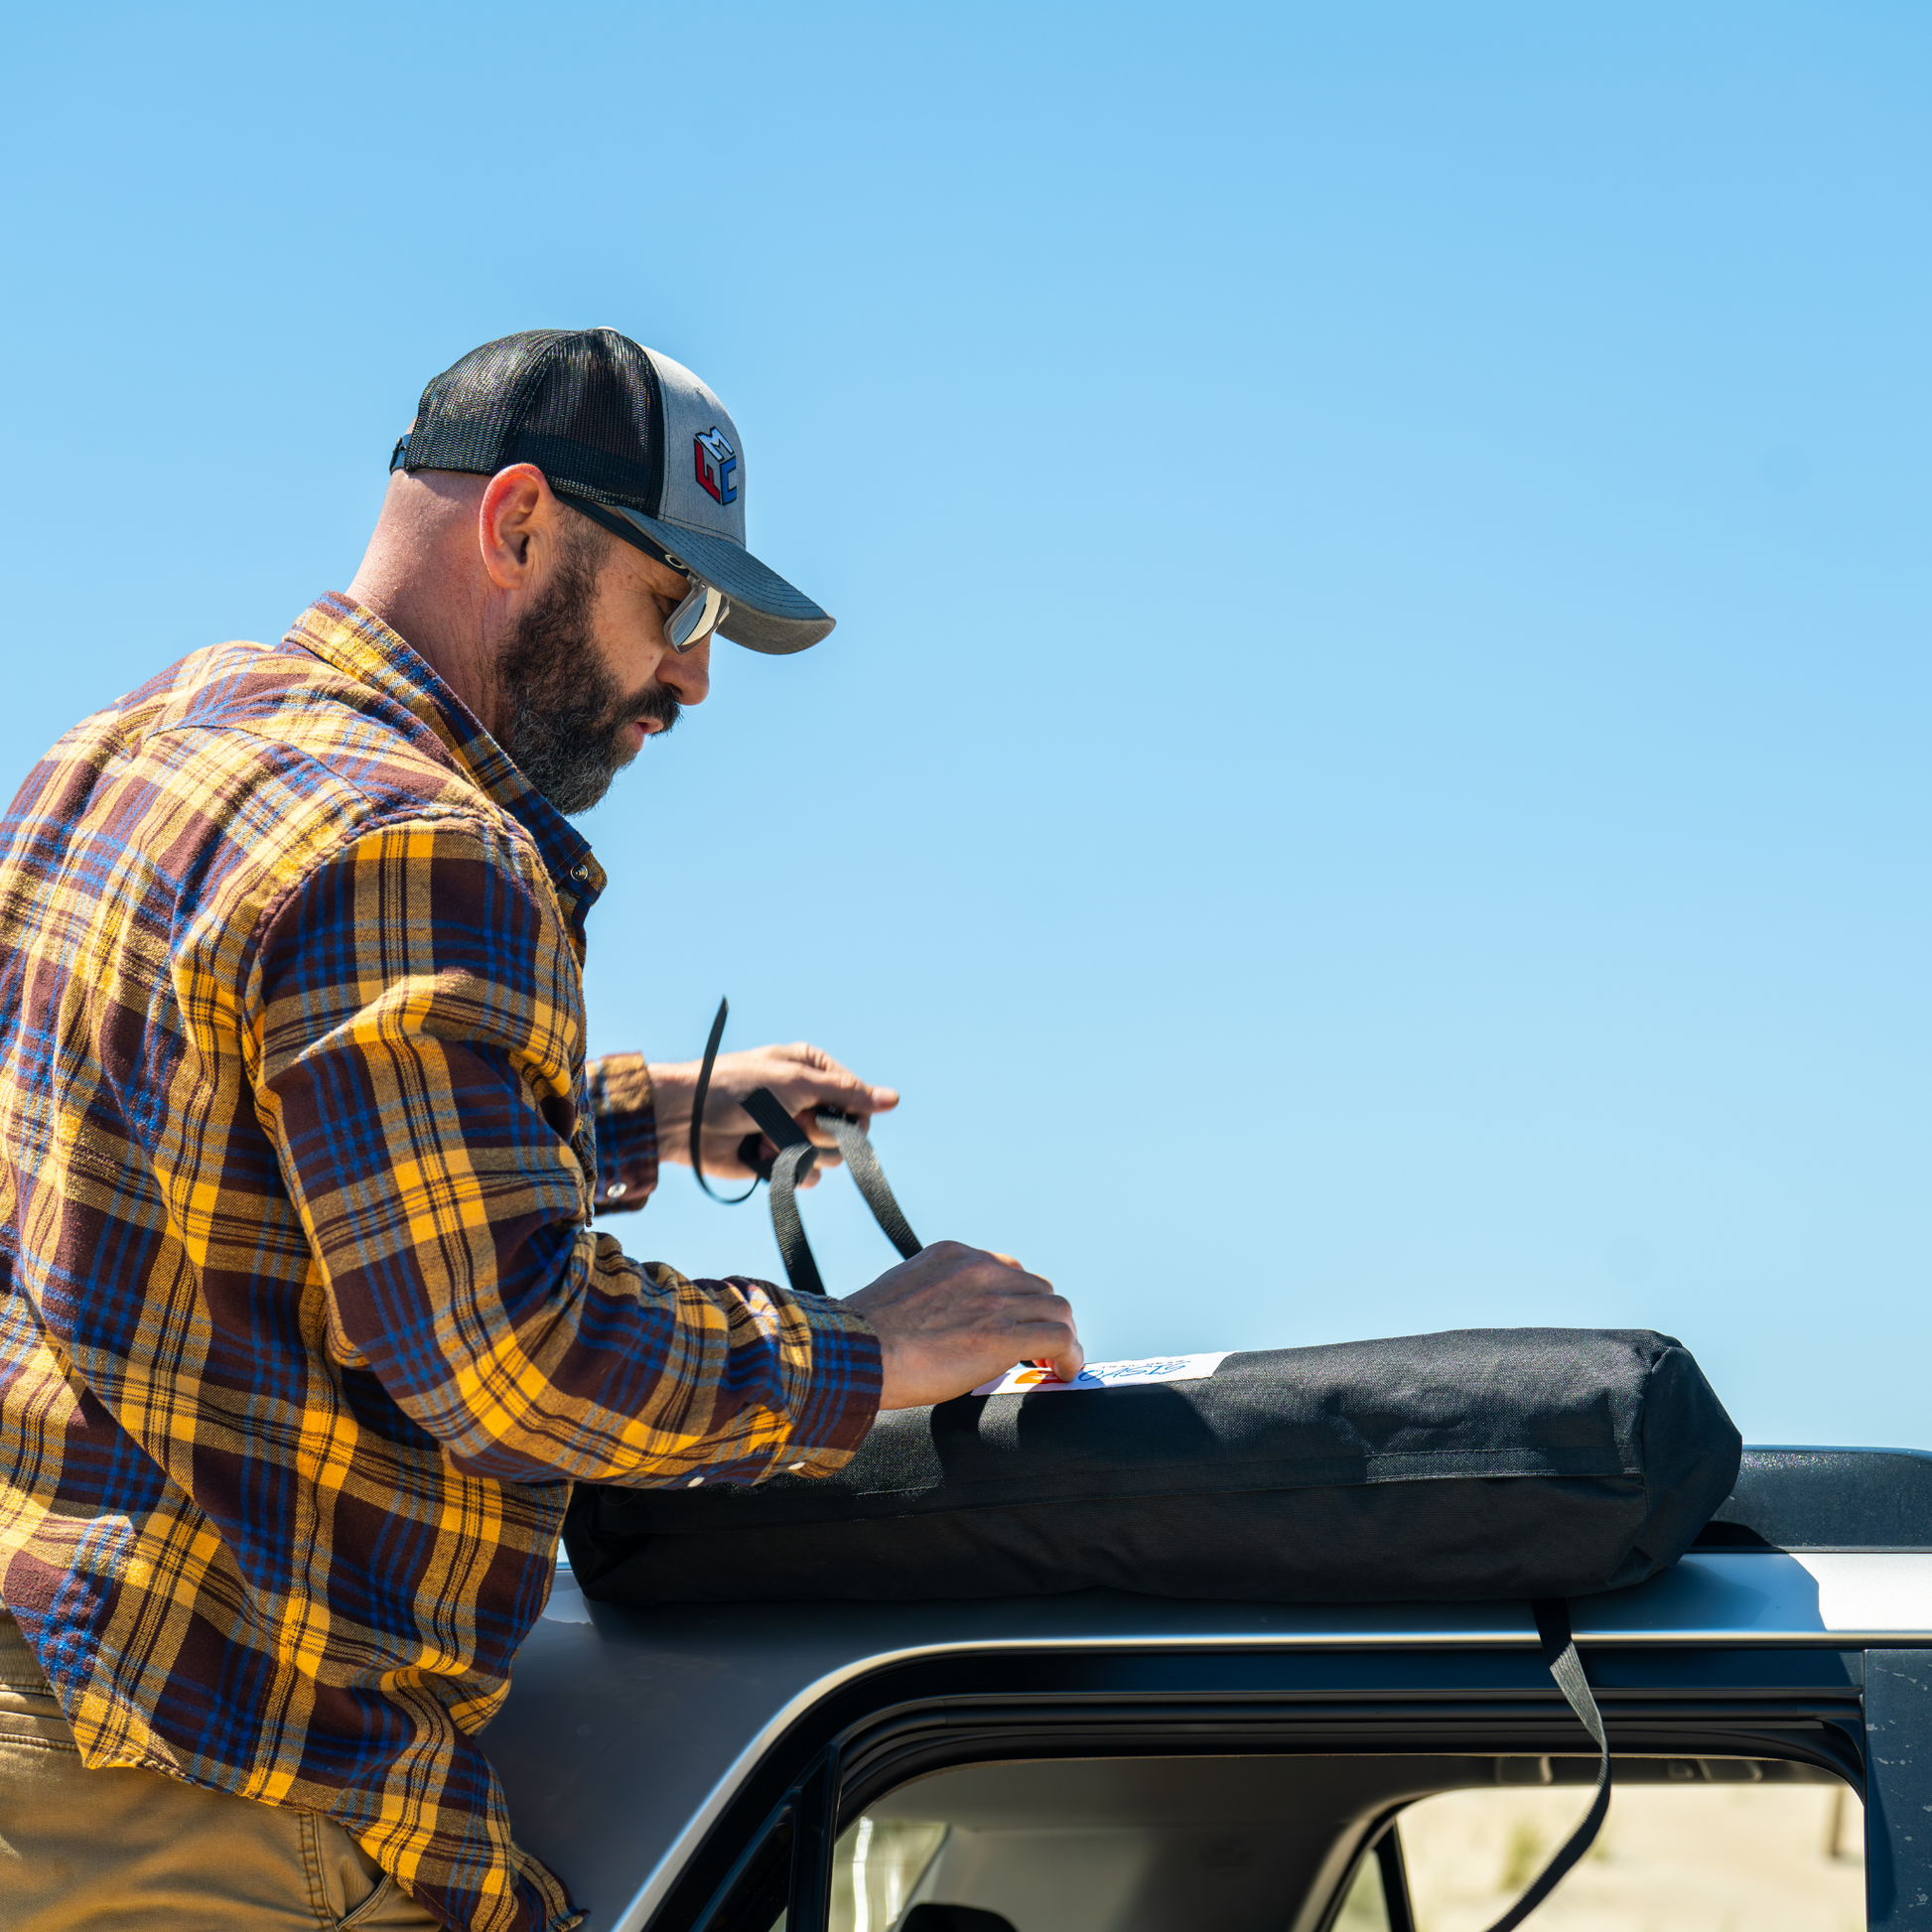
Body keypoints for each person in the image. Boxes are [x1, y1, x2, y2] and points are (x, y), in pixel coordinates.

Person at [0, 328, 1081, 1932]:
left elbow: (233, 1138)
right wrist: (864, 1352)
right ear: (514, 525)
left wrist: (648, 1114)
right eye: (679, 604)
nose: (693, 677)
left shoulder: (126, 754)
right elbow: (509, 1354)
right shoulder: (422, 840)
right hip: (210, 1787)